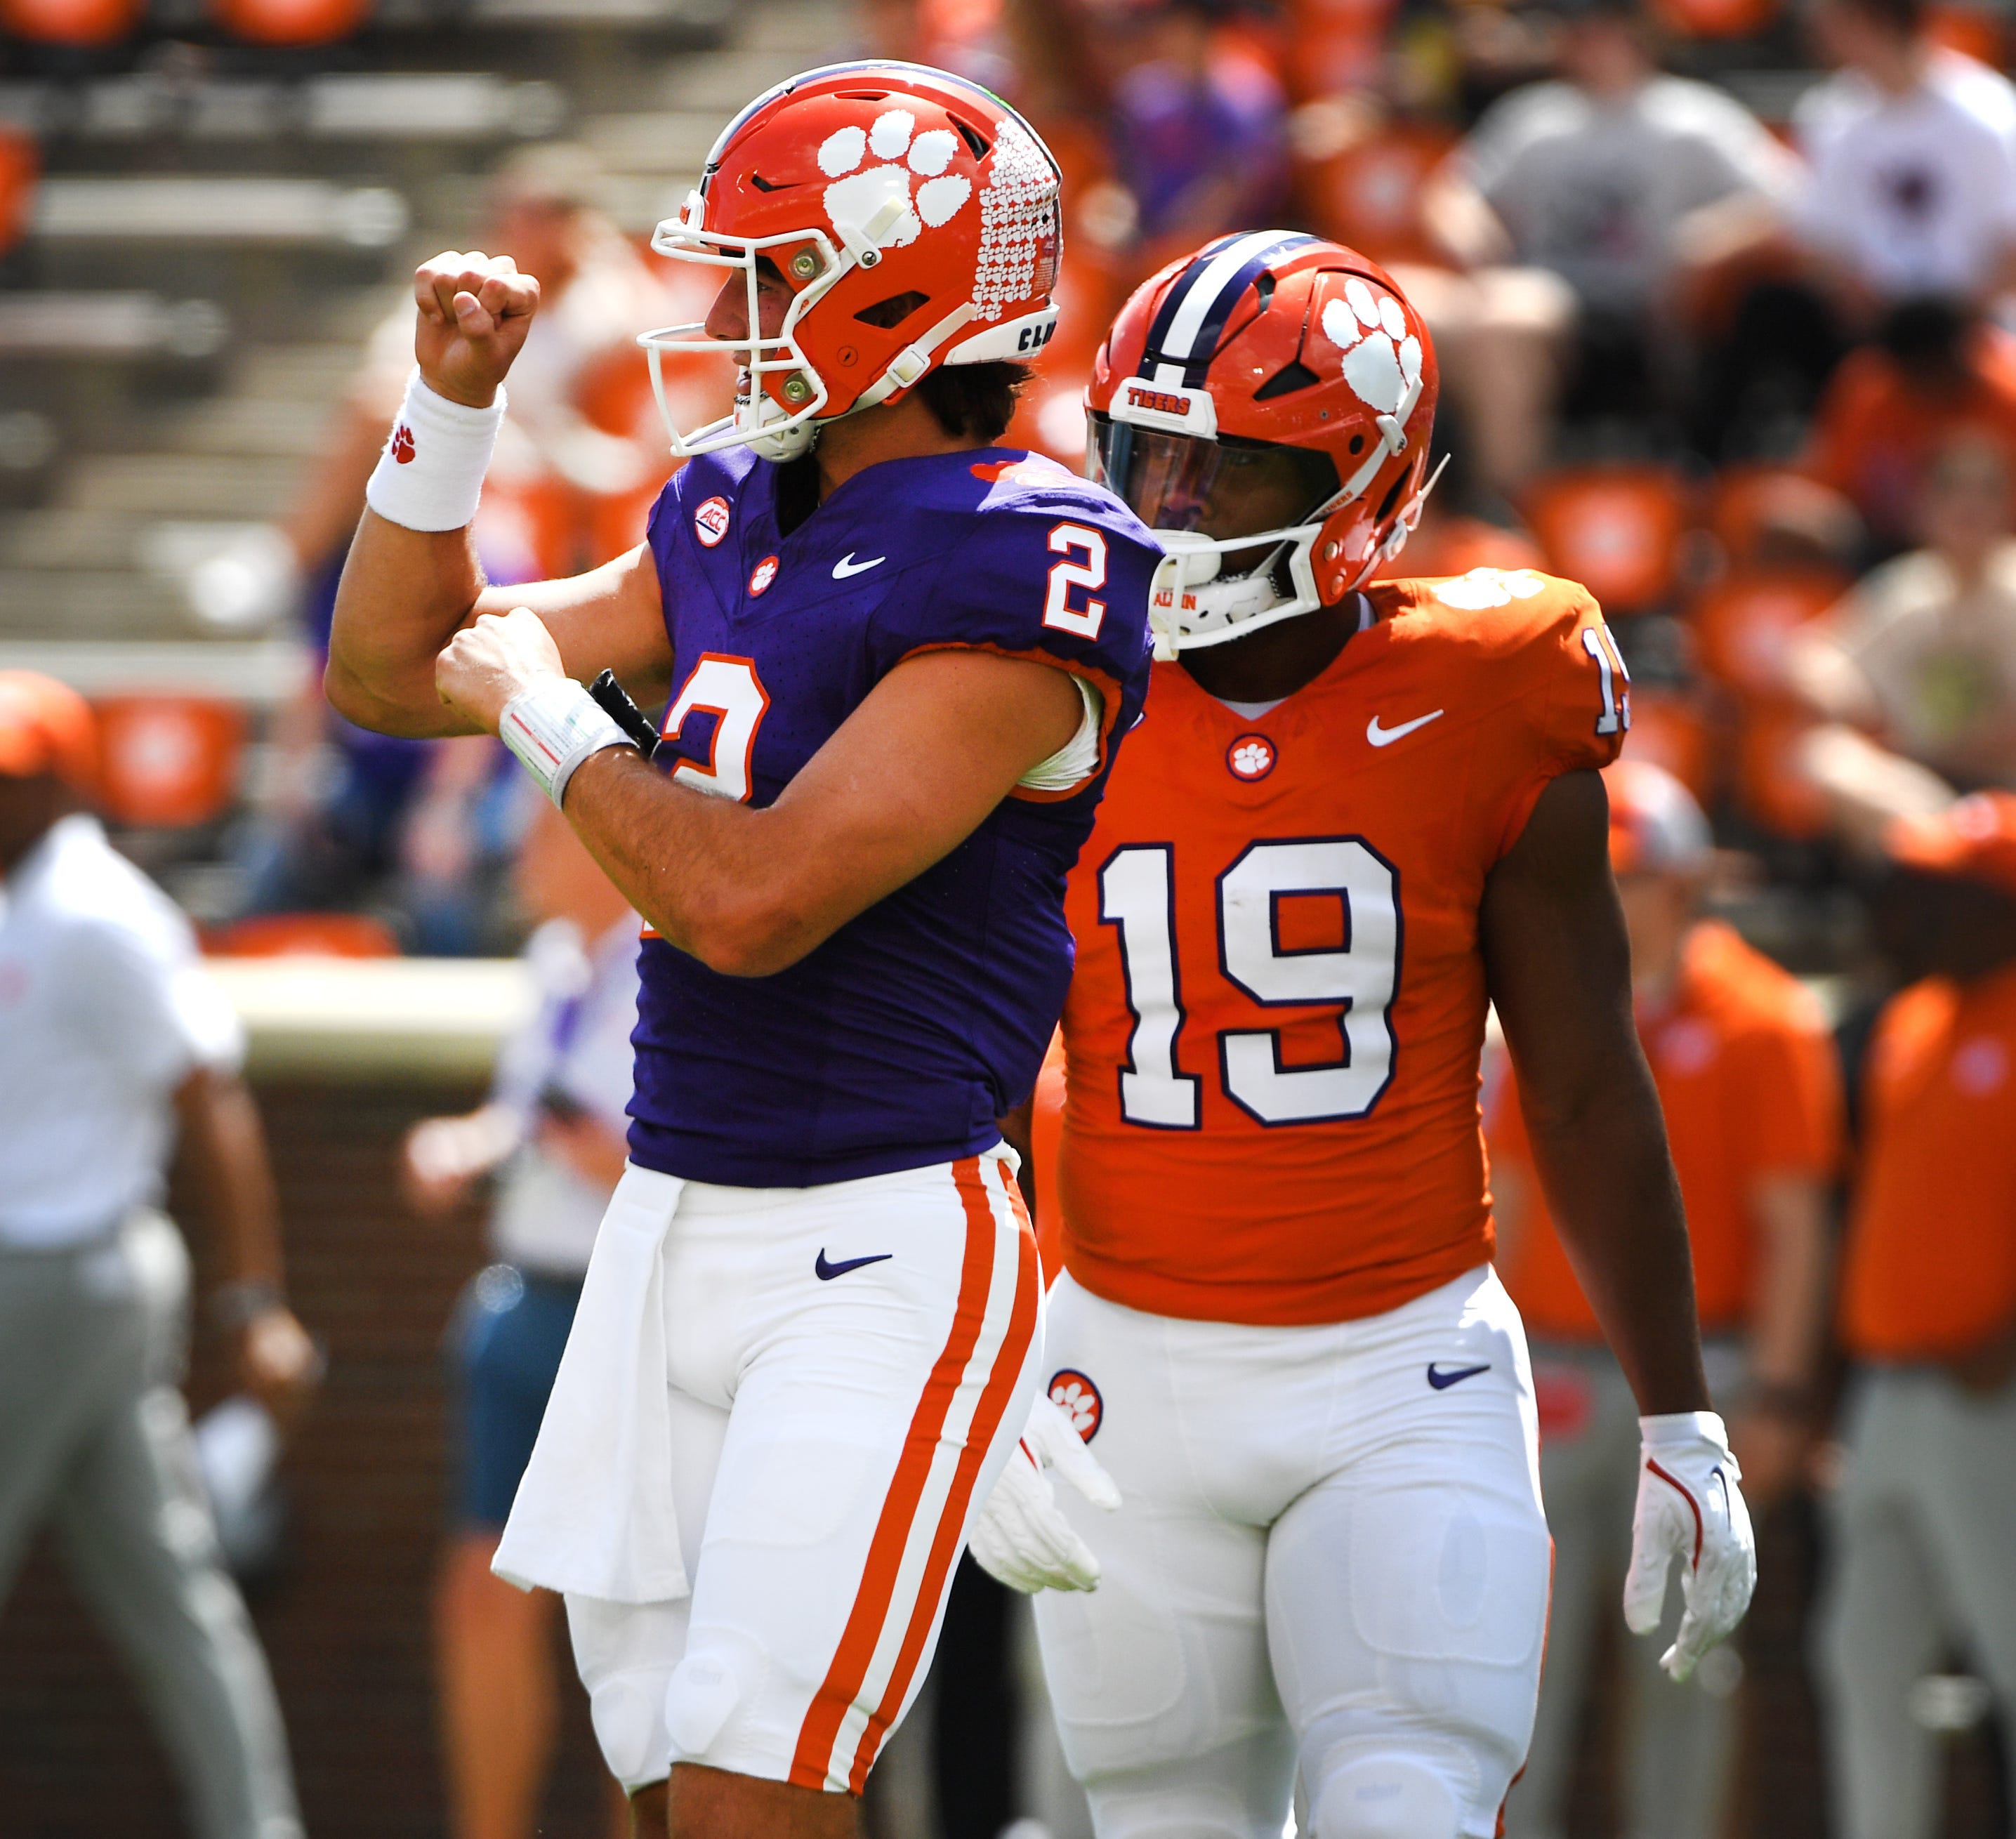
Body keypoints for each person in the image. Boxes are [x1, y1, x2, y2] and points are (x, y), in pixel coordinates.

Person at [322, 61, 1159, 1838]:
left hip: (878, 1237)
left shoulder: (1031, 552)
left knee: (743, 1797)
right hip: (665, 1221)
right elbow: (397, 670)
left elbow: (752, 900)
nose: (719, 316)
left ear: (895, 299)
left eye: (765, 276)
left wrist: (559, 727)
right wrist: (448, 421)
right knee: (656, 1790)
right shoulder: (726, 513)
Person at [985, 232, 1756, 1838]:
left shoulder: (1491, 683)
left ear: (1359, 485)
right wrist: (983, 1366)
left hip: (1394, 1367)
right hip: (1120, 1363)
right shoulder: (1037, 676)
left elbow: (1586, 1082)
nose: (1171, 508)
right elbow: (966, 1068)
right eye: (1147, 455)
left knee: (1406, 1802)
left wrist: (1681, 1411)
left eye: (1229, 470)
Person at [1488, 760, 1842, 1839]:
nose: (1598, 891)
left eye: (1624, 874)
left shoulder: (1763, 1020)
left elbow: (1792, 1226)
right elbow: (1499, 1196)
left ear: (1683, 884)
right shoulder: (1540, 1008)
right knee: (1513, 1652)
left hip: (1698, 1375)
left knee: (1687, 1662)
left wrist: (1779, 1393)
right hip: (1545, 1367)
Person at [0, 671, 319, 1839]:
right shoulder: (26, 894)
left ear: (62, 781)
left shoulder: (96, 909)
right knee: (170, 1590)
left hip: (61, 1272)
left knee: (172, 1589)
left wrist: (256, 1299)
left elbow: (210, 1097)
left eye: (17, 777)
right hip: (64, 1279)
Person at [235, 142, 681, 951]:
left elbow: (652, 381)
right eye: (505, 212)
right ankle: (287, 561)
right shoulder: (472, 288)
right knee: (283, 854)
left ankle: (279, 556)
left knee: (449, 866)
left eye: (533, 215)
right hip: (477, 458)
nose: (509, 228)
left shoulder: (599, 304)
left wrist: (597, 256)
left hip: (543, 482)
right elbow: (402, 379)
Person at [403, 794, 640, 1839]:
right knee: (481, 1594)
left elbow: (685, 1159)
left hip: (629, 1319)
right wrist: (473, 1139)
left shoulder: (677, 961)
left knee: (629, 1626)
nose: (516, 851)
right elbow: (527, 1108)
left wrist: (589, 1146)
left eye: (542, 828)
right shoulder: (553, 958)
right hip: (526, 1299)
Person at [1815, 791, 2016, 1839]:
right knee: (1859, 1656)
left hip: (1991, 1400)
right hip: (1886, 1392)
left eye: (1939, 892)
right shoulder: (1909, 1018)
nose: (1910, 913)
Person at [1413, 0, 1796, 490]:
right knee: (1404, 304)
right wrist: (1469, 230)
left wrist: (1706, 243)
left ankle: (1502, 502)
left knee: (1502, 321)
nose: (1586, 39)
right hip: (1530, 289)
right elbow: (1453, 191)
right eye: (1577, 28)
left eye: (1600, 27)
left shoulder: (1691, 117)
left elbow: (1784, 201)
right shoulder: (1534, 116)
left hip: (1628, 312)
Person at [1790, 432, 2016, 849]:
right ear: (1924, 510)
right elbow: (1816, 651)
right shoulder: (1908, 589)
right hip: (1922, 791)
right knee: (1825, 756)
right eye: (1952, 493)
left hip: (2007, 786)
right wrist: (1845, 690)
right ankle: (1948, 842)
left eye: (1984, 494)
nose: (1969, 508)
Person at [1793, 0, 2016, 317]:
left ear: (1878, 17)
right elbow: (1821, 245)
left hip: (1982, 333)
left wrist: (1957, 320)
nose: (1818, 30)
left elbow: (2010, 250)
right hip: (1876, 332)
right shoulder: (1829, 115)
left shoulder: (1989, 113)